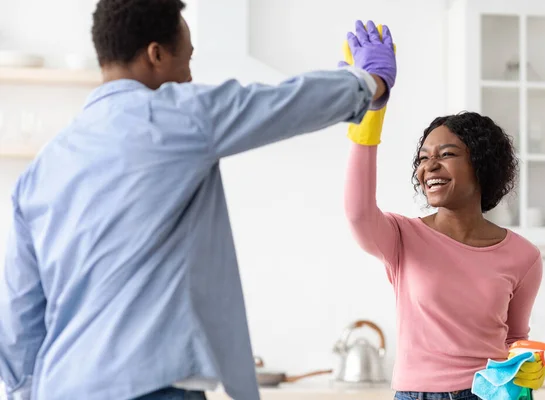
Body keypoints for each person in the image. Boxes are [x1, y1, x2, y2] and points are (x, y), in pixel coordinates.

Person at [0, 0, 396, 398]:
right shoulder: (175, 115)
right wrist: (367, 82)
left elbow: (18, 316)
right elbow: (279, 104)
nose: (190, 77)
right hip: (151, 388)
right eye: (187, 59)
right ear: (156, 55)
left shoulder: (42, 168)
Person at [342, 40, 545, 399]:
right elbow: (358, 214)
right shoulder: (401, 237)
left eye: (446, 154)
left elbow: (514, 338)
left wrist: (527, 368)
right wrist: (369, 120)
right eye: (423, 158)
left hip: (486, 393)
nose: (429, 166)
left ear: (481, 165)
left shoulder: (523, 257)